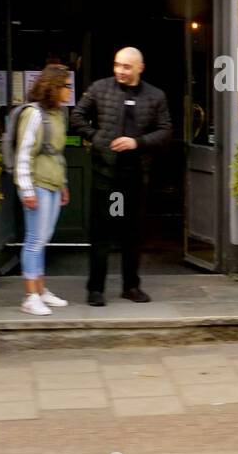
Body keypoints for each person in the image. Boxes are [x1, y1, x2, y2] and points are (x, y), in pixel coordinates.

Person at [70, 47, 172, 306]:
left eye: (126, 67)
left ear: (140, 67)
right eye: (117, 65)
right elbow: (77, 117)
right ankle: (96, 289)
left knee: (133, 234)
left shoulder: (155, 96)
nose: (120, 71)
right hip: (105, 173)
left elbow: (165, 131)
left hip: (136, 175)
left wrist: (136, 142)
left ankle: (131, 286)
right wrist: (98, 138)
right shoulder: (99, 88)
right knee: (101, 233)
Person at [15, 64, 72, 316]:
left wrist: (63, 184)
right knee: (34, 240)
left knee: (43, 238)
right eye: (66, 86)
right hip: (36, 183)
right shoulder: (34, 114)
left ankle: (40, 290)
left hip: (52, 182)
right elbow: (23, 154)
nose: (69, 91)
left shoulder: (59, 113)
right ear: (54, 87)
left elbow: (56, 153)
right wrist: (26, 190)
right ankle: (30, 296)